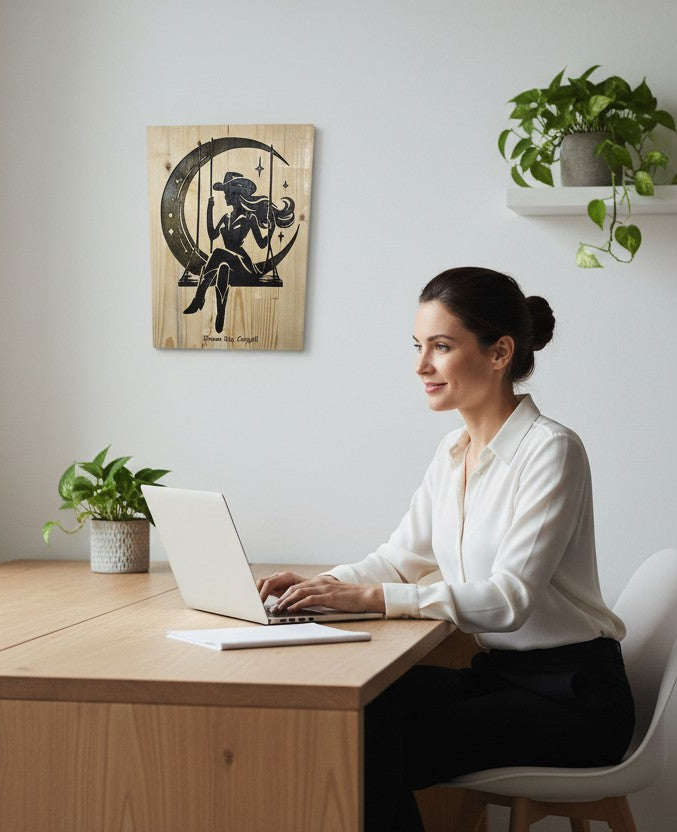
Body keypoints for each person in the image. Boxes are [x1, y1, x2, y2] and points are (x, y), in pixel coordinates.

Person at [257, 267, 635, 831]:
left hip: (573, 696)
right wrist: (321, 588)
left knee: (370, 743)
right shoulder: (453, 451)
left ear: (500, 351)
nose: (421, 366)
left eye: (441, 346)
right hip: (502, 676)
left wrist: (372, 598)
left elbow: (509, 601)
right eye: (418, 346)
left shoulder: (551, 451)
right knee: (352, 713)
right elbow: (398, 558)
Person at [183, 171, 295, 333]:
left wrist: (271, 229)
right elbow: (212, 234)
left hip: (243, 266)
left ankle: (198, 299)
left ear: (237, 195)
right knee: (222, 268)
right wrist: (209, 210)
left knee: (218, 253)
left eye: (227, 193)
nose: (225, 197)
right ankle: (220, 317)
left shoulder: (250, 218)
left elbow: (262, 244)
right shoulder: (226, 217)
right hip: (226, 264)